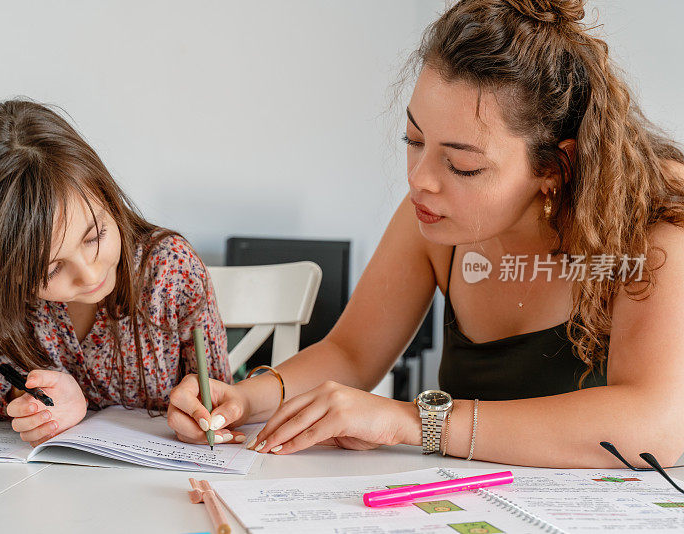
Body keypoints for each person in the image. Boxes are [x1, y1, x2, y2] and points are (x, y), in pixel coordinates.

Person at [167, 0, 684, 468]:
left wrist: (410, 421)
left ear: (554, 166)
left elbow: (652, 426)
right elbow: (351, 353)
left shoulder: (656, 227)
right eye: (413, 140)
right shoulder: (439, 217)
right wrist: (245, 398)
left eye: (461, 165)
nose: (419, 179)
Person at [0, 99, 237, 447]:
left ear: (108, 198)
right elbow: (6, 385)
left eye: (95, 236)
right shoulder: (4, 299)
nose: (88, 274)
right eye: (51, 268)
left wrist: (204, 412)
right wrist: (37, 404)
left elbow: (222, 396)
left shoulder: (170, 269)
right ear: (2, 277)